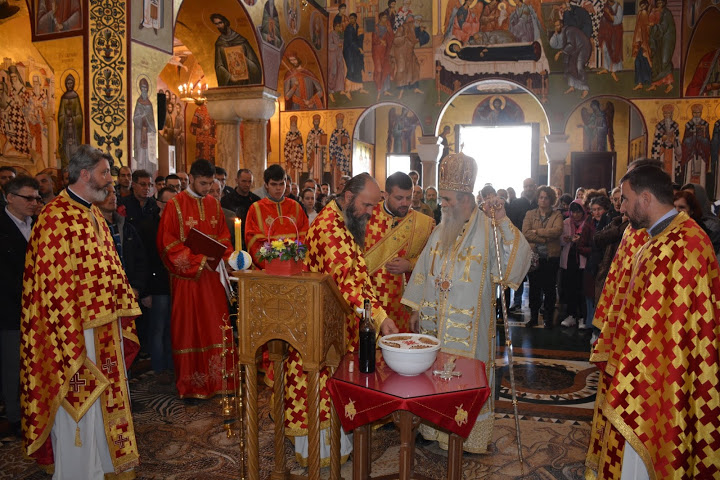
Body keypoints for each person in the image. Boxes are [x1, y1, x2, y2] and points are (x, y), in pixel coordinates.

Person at [585, 165, 720, 479]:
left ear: (645, 199)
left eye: (626, 199)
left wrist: (637, 376)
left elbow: (682, 329)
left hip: (662, 381)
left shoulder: (687, 245)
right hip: (642, 372)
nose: (621, 207)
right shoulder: (656, 238)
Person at [20, 145, 141, 478]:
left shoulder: (93, 214)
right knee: (81, 404)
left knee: (105, 402)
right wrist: (69, 333)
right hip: (74, 332)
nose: (110, 181)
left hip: (103, 327)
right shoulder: (54, 216)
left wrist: (119, 304)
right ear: (85, 174)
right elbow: (50, 285)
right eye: (104, 173)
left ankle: (102, 465)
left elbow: (109, 268)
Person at [402, 152, 531, 453]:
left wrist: (503, 222)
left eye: (446, 199)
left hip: (469, 330)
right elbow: (423, 269)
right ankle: (434, 431)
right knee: (434, 378)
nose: (442, 204)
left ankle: (468, 436)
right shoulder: (441, 228)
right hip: (436, 326)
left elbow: (514, 265)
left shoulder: (489, 230)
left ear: (464, 197)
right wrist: (416, 307)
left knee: (466, 379)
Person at [282, 173, 400, 466]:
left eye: (374, 206)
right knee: (322, 386)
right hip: (319, 326)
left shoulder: (344, 220)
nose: (372, 213)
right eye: (368, 205)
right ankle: (321, 451)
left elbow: (358, 273)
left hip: (338, 321)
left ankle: (339, 442)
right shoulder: (328, 228)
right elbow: (346, 282)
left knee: (339, 383)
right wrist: (380, 316)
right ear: (349, 198)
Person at [156, 159, 234, 399]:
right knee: (189, 329)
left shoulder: (214, 204)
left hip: (212, 279)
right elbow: (167, 244)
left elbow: (223, 238)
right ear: (190, 179)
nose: (208, 189)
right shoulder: (175, 205)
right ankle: (192, 386)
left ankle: (220, 382)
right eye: (203, 183)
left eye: (211, 184)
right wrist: (198, 260)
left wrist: (228, 257)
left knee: (215, 327)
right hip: (188, 281)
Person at [364, 172, 434, 332]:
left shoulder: (422, 224)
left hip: (404, 304)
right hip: (371, 299)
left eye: (408, 198)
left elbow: (432, 260)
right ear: (386, 194)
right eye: (399, 198)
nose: (405, 203)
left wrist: (410, 264)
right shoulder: (367, 216)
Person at [1, 176, 39, 440]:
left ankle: (35, 410)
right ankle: (15, 416)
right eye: (28, 198)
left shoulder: (37, 225)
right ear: (9, 197)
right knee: (13, 366)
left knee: (34, 364)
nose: (33, 203)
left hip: (37, 309)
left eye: (36, 198)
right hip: (10, 310)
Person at [139, 186, 177, 385]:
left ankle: (172, 366)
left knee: (173, 328)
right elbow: (144, 260)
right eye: (169, 203)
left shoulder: (178, 226)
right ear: (160, 204)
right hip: (157, 286)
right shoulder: (147, 226)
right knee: (158, 329)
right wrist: (146, 291)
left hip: (177, 285)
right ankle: (159, 369)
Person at [244, 164, 309, 269]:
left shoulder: (295, 206)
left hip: (294, 264)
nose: (278, 188)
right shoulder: (256, 209)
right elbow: (253, 239)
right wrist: (274, 260)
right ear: (266, 185)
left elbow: (304, 234)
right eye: (274, 184)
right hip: (269, 266)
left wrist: (294, 255)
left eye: (281, 184)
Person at [522, 186, 563, 328]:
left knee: (549, 289)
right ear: (537, 198)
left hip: (551, 257)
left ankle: (548, 319)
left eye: (546, 197)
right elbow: (526, 232)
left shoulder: (557, 215)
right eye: (541, 197)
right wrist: (544, 238)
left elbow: (557, 231)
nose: (543, 200)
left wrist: (538, 231)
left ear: (551, 199)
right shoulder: (530, 213)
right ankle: (533, 317)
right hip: (535, 257)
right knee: (534, 288)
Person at [210, 13, 262, 86]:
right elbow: (219, 66)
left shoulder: (241, 41)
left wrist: (243, 59)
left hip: (246, 82)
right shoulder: (219, 44)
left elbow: (255, 66)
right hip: (231, 83)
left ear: (225, 22)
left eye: (220, 23)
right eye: (216, 24)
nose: (219, 26)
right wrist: (229, 76)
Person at [560, 201, 588, 328]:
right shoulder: (566, 222)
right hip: (569, 259)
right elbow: (560, 240)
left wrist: (580, 240)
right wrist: (566, 239)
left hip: (582, 260)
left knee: (581, 289)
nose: (575, 215)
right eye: (573, 212)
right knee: (569, 288)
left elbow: (589, 240)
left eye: (578, 212)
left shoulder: (587, 223)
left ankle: (583, 317)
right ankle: (571, 315)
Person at [550, 19, 591, 98]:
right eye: (555, 26)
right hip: (576, 50)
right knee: (570, 66)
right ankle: (572, 86)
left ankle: (585, 89)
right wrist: (555, 34)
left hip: (583, 48)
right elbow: (554, 45)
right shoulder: (562, 33)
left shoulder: (569, 31)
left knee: (579, 67)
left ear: (562, 25)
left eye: (557, 25)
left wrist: (560, 52)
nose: (556, 27)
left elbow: (571, 45)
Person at [221, 168, 261, 249]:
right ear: (237, 180)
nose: (247, 184)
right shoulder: (226, 200)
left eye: (249, 181)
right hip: (232, 242)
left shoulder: (256, 201)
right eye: (244, 181)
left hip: (251, 242)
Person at [646, 0, 675, 94]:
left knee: (664, 60)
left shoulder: (667, 13)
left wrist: (654, 26)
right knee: (656, 60)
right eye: (658, 2)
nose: (659, 3)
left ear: (664, 2)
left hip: (666, 39)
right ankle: (654, 84)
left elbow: (664, 27)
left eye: (661, 2)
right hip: (657, 39)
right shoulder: (656, 11)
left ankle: (669, 84)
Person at [57, 74, 83, 168]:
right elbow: (60, 115)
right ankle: (67, 167)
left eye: (71, 83)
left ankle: (75, 166)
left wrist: (74, 119)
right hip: (66, 131)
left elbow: (80, 115)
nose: (69, 85)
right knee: (66, 150)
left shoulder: (76, 97)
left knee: (74, 149)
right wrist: (64, 119)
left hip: (74, 132)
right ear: (65, 84)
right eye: (68, 83)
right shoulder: (63, 98)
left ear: (74, 84)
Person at [650, 104, 682, 181]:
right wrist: (662, 140)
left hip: (672, 152)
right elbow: (656, 142)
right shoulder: (659, 126)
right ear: (663, 114)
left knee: (672, 172)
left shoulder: (675, 126)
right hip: (662, 152)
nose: (667, 115)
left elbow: (677, 140)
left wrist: (673, 140)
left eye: (669, 113)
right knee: (662, 171)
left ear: (672, 114)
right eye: (665, 113)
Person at [133, 78, 157, 175]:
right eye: (142, 87)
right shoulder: (138, 103)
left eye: (145, 88)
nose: (144, 90)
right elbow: (135, 118)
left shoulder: (150, 104)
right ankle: (139, 172)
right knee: (141, 154)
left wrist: (147, 120)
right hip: (140, 132)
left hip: (148, 133)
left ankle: (149, 173)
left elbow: (152, 120)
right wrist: (141, 118)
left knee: (148, 155)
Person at [596, 0, 623, 82]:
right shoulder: (605, 6)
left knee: (614, 51)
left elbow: (618, 21)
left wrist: (609, 14)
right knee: (605, 49)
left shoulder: (618, 7)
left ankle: (613, 71)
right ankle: (606, 68)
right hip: (607, 32)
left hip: (615, 32)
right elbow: (602, 18)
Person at [343, 13, 367, 95]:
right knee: (351, 69)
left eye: (352, 18)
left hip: (355, 52)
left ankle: (360, 88)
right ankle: (347, 90)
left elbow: (359, 39)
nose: (351, 20)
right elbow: (351, 41)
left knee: (358, 67)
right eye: (350, 18)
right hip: (349, 51)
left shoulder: (357, 27)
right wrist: (359, 48)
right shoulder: (348, 29)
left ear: (356, 19)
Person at [372, 12, 394, 101]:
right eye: (384, 18)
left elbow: (392, 38)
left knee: (386, 69)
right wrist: (381, 41)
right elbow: (374, 39)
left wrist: (389, 30)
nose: (385, 19)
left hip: (385, 51)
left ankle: (385, 90)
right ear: (380, 18)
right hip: (377, 51)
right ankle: (379, 90)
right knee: (379, 70)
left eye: (386, 18)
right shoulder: (376, 27)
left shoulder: (387, 27)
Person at [632, 0, 652, 90]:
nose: (642, 6)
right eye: (641, 4)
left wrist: (641, 40)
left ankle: (644, 82)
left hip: (643, 41)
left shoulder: (644, 13)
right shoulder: (642, 13)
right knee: (642, 61)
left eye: (644, 4)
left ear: (646, 5)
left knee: (643, 61)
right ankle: (642, 82)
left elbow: (645, 28)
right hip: (641, 41)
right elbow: (639, 27)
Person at [327, 18, 348, 102]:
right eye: (339, 26)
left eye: (340, 26)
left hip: (339, 56)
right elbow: (329, 46)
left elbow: (341, 44)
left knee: (340, 72)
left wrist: (341, 44)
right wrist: (337, 45)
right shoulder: (331, 35)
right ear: (335, 27)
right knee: (333, 72)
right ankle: (330, 91)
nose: (340, 28)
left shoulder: (339, 35)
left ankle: (339, 89)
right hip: (333, 57)